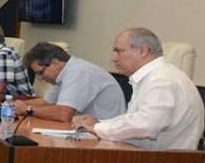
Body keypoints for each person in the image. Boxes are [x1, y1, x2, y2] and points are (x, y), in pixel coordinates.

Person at [74, 28, 204, 150]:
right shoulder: (152, 77)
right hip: (148, 159)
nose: (113, 58)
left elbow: (146, 126)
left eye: (119, 51)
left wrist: (97, 127)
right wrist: (99, 123)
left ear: (142, 51)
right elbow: (135, 119)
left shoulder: (162, 80)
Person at [12, 42, 125, 123]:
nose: (40, 78)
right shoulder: (65, 73)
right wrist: (14, 106)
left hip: (105, 138)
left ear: (55, 62)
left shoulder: (78, 72)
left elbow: (63, 114)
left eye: (41, 73)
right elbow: (47, 102)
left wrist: (27, 109)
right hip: (87, 131)